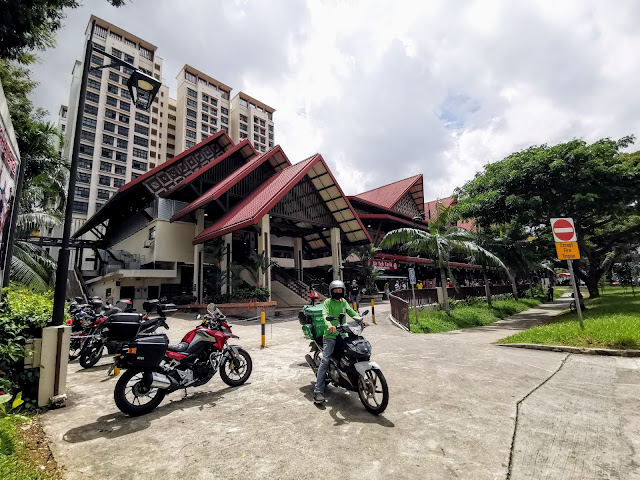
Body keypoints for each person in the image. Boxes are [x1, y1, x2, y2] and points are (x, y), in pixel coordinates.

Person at [314, 280, 361, 404]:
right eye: (336, 291)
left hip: (343, 333)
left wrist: (360, 319)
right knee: (325, 360)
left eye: (340, 291)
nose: (338, 293)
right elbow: (325, 315)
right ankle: (318, 391)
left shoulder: (343, 302)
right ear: (331, 292)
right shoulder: (327, 302)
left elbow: (350, 311)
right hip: (330, 335)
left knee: (353, 352)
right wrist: (329, 325)